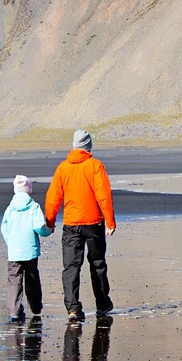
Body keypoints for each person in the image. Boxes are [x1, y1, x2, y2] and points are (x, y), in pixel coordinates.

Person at [44, 128, 115, 323]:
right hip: (93, 223)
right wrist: (110, 221)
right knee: (98, 264)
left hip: (72, 225)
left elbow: (53, 198)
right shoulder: (95, 166)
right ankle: (102, 304)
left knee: (71, 267)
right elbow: (104, 196)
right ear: (88, 146)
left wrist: (50, 222)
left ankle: (73, 308)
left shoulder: (63, 168)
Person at [0, 174, 51, 321]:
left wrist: (11, 243)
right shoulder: (33, 206)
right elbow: (39, 226)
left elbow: (4, 228)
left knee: (14, 280)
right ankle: (35, 306)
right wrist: (48, 231)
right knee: (32, 278)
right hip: (30, 250)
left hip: (14, 252)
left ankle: (14, 311)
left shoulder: (10, 208)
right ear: (29, 189)